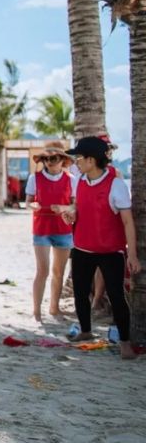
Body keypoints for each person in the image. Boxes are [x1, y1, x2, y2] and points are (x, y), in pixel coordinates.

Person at [65, 137, 140, 359]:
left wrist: (132, 255)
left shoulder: (116, 185)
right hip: (82, 248)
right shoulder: (80, 181)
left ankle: (125, 342)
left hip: (111, 251)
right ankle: (86, 330)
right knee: (80, 292)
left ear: (91, 160)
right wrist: (72, 213)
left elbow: (127, 222)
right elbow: (78, 206)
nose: (76, 162)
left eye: (79, 158)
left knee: (117, 296)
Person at [24, 141, 74, 322]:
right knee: (42, 271)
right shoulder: (34, 178)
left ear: (62, 160)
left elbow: (75, 205)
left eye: (53, 159)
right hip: (41, 229)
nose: (49, 162)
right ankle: (36, 311)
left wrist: (63, 208)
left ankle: (54, 307)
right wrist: (32, 205)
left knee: (58, 272)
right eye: (46, 159)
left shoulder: (71, 179)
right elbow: (28, 202)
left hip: (63, 230)